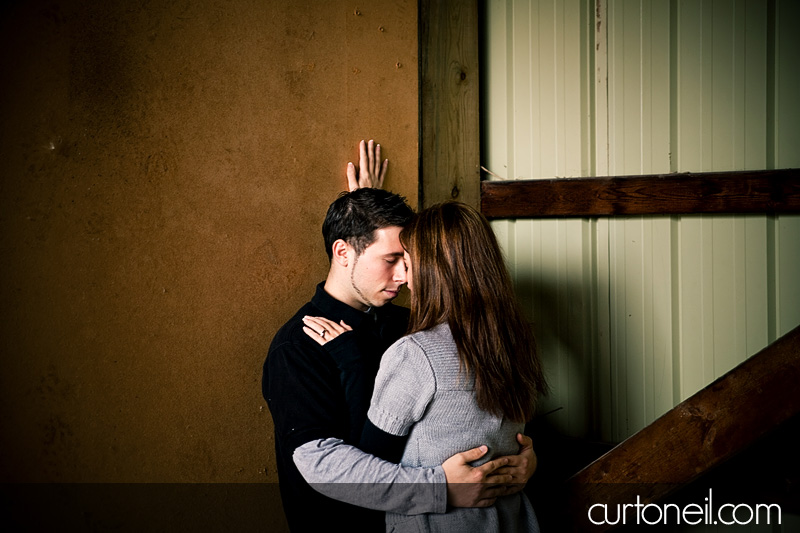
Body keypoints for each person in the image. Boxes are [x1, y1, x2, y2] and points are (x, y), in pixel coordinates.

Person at [262, 142, 538, 532]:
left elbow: (465, 421)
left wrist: (518, 459)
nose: (405, 277)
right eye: (392, 260)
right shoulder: (298, 346)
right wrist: (441, 488)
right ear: (342, 253)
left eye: (408, 261)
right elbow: (321, 463)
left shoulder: (410, 327)